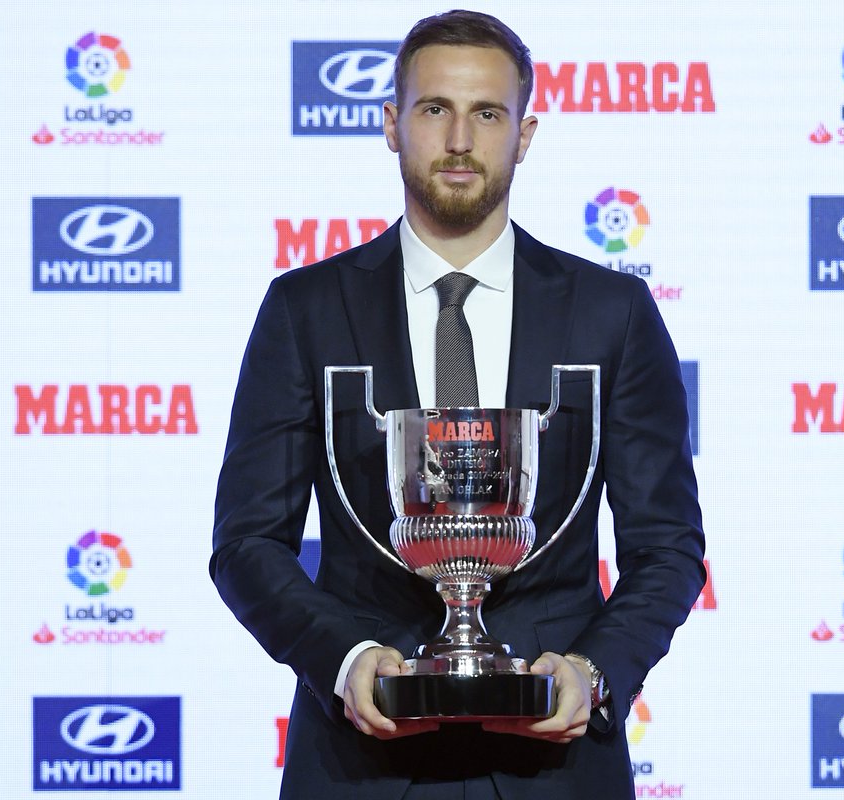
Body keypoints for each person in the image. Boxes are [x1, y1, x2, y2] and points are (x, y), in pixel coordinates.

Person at [211, 10, 705, 799]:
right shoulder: (305, 310)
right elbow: (246, 544)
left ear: (525, 135)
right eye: (435, 108)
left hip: (555, 768)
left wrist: (591, 671)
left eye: (488, 114)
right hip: (359, 763)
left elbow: (668, 548)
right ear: (391, 124)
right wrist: (345, 660)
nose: (460, 139)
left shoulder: (612, 313)